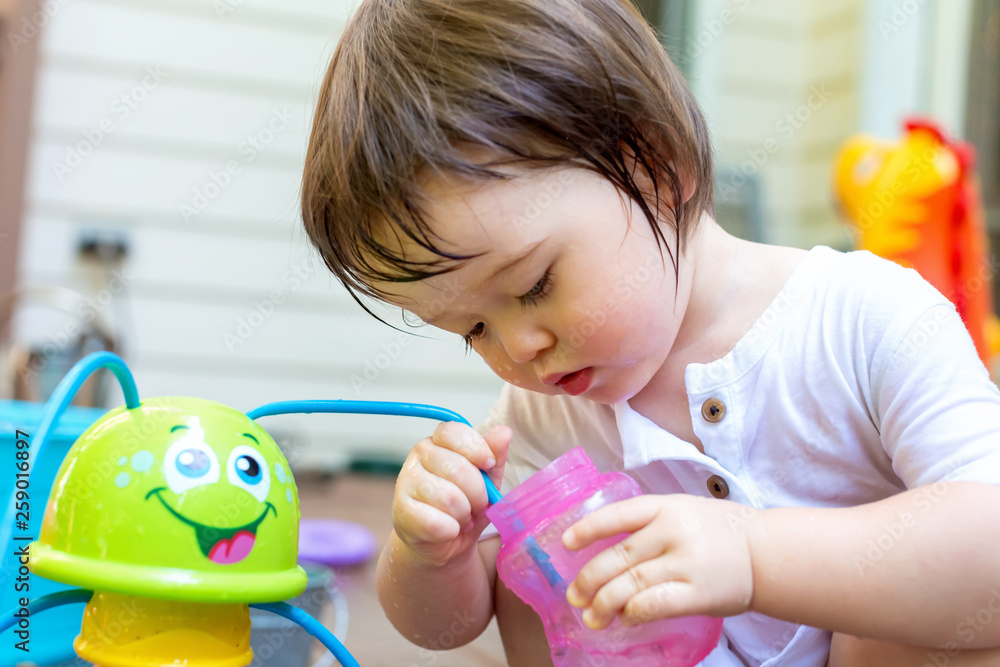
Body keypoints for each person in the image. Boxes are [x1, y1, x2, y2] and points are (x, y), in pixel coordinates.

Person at [300, 0, 1000, 664]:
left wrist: (752, 554)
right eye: (473, 327)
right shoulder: (544, 417)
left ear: (658, 168)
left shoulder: (867, 319)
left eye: (535, 285)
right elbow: (445, 627)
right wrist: (429, 556)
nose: (517, 348)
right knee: (531, 575)